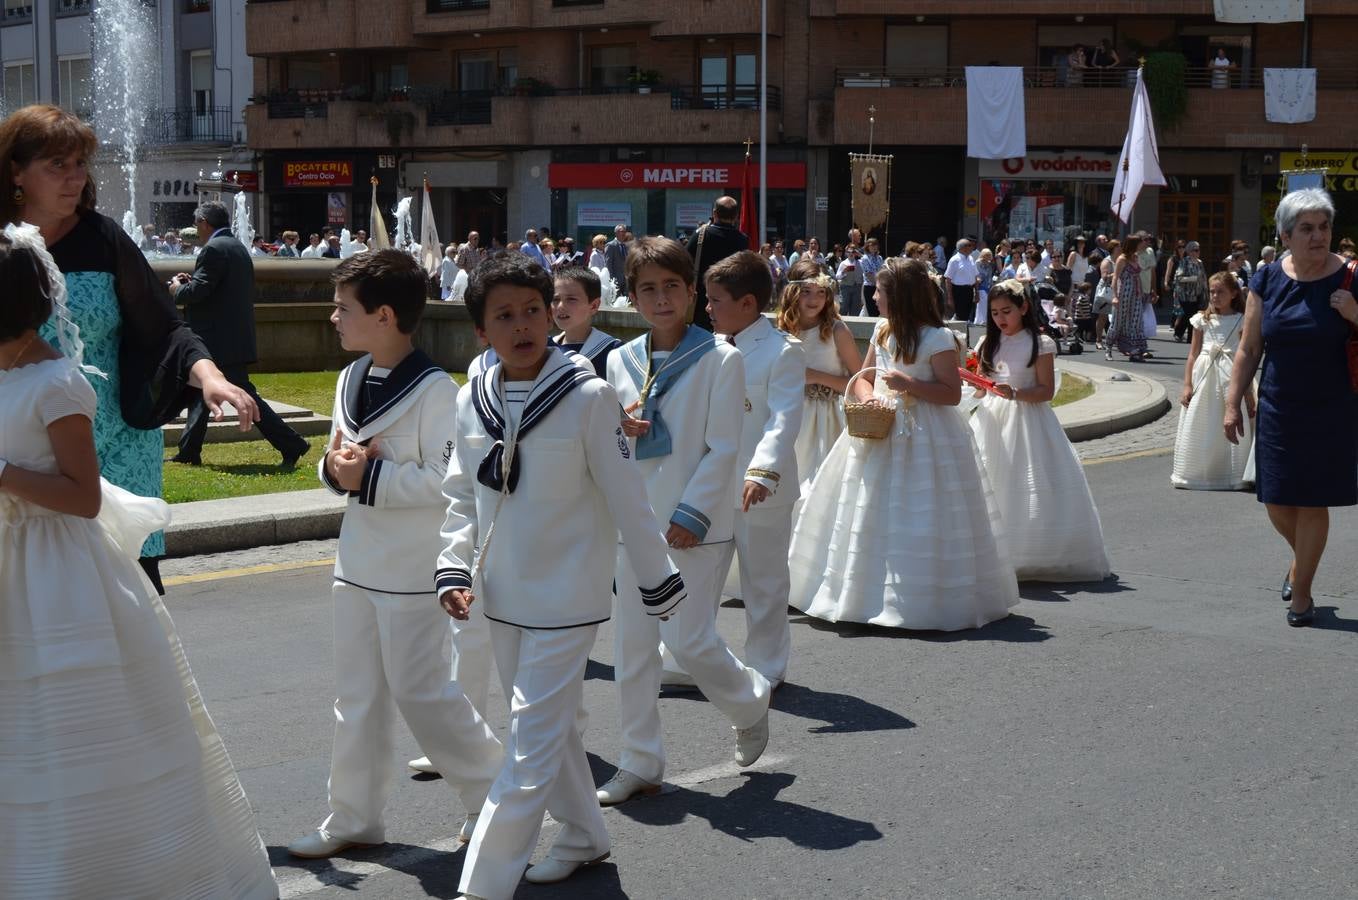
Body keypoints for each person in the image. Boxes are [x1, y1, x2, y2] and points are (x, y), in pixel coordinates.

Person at [0, 224, 277, 898]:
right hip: (9, 561)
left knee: (74, 732)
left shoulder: (55, 384)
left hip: (54, 568)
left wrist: (5, 474)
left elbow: (83, 496)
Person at [435, 255, 682, 899]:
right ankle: (584, 834)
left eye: (533, 311)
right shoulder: (471, 399)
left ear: (553, 315)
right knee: (550, 731)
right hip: (502, 594)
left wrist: (659, 581)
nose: (522, 326)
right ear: (480, 333)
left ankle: (482, 885)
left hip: (569, 595)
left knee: (526, 741)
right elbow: (462, 495)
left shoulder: (588, 396)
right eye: (504, 316)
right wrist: (453, 568)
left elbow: (629, 497)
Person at [288, 250, 504, 859]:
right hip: (356, 563)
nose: (333, 317)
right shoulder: (350, 377)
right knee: (355, 698)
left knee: (422, 692)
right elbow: (338, 456)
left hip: (413, 567)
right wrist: (336, 471)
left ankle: (493, 794)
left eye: (343, 308)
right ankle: (353, 815)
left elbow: (448, 480)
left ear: (384, 316)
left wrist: (369, 480)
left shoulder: (440, 392)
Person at [1, 105, 257, 594]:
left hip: (114, 447)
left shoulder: (104, 239)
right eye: (57, 165)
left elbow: (165, 327)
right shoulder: (4, 247)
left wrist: (209, 376)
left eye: (80, 164)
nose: (74, 178)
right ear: (17, 170)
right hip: (28, 446)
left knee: (129, 598)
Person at [598, 236, 772, 806]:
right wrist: (618, 428)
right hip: (635, 522)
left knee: (690, 642)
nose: (661, 298)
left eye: (672, 286)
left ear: (694, 293)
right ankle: (639, 760)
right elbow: (606, 439)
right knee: (633, 648)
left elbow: (726, 447)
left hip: (693, 524)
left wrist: (692, 514)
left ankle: (750, 700)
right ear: (631, 297)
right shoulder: (619, 361)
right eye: (647, 288)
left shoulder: (722, 358)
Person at [787, 257, 1020, 630]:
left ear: (898, 295)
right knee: (866, 508)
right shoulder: (882, 330)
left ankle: (914, 596)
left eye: (879, 291)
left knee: (916, 509)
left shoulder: (938, 338)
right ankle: (862, 592)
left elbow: (950, 393)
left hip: (925, 432)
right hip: (878, 428)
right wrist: (869, 398)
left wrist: (908, 385)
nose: (874, 296)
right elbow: (863, 377)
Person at [1225, 188, 1358, 626]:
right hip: (1279, 405)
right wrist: (1232, 402)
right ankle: (1300, 561)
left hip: (1334, 406)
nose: (1318, 236)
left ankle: (1302, 595)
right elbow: (1248, 346)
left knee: (1313, 501)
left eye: (1324, 227)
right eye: (1307, 229)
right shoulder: (1266, 279)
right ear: (1285, 235)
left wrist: (1356, 314)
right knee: (1278, 500)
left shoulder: (1352, 279)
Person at [700, 250, 804, 690]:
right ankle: (693, 657)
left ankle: (767, 666)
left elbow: (783, 419)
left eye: (716, 299)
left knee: (763, 581)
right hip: (710, 483)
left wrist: (762, 472)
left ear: (747, 304)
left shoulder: (782, 351)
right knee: (699, 577)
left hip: (760, 488)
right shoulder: (710, 348)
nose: (707, 308)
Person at [968, 280, 1111, 581]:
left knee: (1026, 480)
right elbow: (983, 388)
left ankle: (1030, 553)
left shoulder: (1040, 343)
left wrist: (1015, 394)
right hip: (992, 418)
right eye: (994, 313)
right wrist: (978, 384)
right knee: (990, 479)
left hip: (1028, 417)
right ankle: (991, 551)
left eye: (1006, 311)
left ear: (1023, 308)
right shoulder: (987, 343)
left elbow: (1045, 391)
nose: (1000, 319)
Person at [169, 202, 310, 467]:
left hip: (217, 340)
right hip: (229, 337)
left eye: (197, 224)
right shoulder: (235, 246)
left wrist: (178, 288)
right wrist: (193, 283)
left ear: (204, 222)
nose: (196, 230)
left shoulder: (213, 249)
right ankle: (189, 451)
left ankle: (292, 444)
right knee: (199, 390)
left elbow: (198, 293)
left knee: (243, 396)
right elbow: (215, 289)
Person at [777, 258, 861, 494]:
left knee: (817, 488)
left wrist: (815, 376)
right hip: (791, 416)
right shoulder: (781, 331)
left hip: (827, 420)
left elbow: (861, 381)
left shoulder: (836, 330)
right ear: (793, 293)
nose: (814, 300)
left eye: (821, 292)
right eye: (806, 292)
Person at [1173, 271, 1253, 491]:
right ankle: (1198, 471)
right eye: (1212, 292)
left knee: (1229, 419)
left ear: (1234, 293)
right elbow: (1193, 354)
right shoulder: (1203, 319)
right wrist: (1187, 384)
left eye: (1221, 292)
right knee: (1204, 421)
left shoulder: (1241, 320)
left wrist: (1247, 392)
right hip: (1205, 376)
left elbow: (1245, 355)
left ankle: (1232, 472)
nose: (1215, 296)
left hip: (1231, 376)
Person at [686, 195, 750, 331]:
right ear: (736, 216)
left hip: (701, 308)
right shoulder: (743, 240)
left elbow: (683, 263)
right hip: (731, 305)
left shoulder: (700, 236)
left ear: (714, 213)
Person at [551, 266, 621, 378]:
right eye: (555, 299)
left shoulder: (614, 352)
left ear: (594, 306)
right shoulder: (547, 349)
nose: (560, 306)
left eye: (571, 299)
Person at [1106, 234, 1147, 361]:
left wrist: (1142, 291)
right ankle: (1108, 349)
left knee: (1135, 321)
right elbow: (1115, 278)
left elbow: (1137, 276)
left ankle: (1133, 349)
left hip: (1135, 294)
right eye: (1140, 243)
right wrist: (1115, 296)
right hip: (1124, 293)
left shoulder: (1135, 257)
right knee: (1118, 321)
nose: (1142, 245)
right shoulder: (1122, 259)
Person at [1170, 240, 1207, 342]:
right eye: (1195, 250)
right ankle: (1178, 333)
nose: (1197, 252)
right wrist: (1193, 279)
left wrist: (1205, 290)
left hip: (1198, 294)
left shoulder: (1200, 263)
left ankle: (1191, 338)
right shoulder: (1184, 262)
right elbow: (1179, 278)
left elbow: (1203, 277)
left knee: (1195, 315)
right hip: (1186, 294)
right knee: (1187, 315)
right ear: (1190, 251)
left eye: (1198, 250)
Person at [944, 237, 980, 322]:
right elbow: (948, 279)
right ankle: (958, 332)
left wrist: (977, 292)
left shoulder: (971, 258)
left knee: (967, 315)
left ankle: (963, 333)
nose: (972, 247)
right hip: (959, 291)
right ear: (964, 248)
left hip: (969, 290)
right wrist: (950, 297)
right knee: (960, 316)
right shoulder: (954, 260)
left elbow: (975, 276)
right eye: (970, 245)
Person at [834, 242, 865, 315]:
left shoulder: (860, 262)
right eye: (849, 252)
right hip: (846, 287)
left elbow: (866, 260)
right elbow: (837, 276)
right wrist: (844, 272)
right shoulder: (843, 263)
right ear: (846, 253)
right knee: (844, 307)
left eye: (853, 252)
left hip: (857, 287)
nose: (851, 254)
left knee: (855, 308)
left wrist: (860, 254)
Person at [860, 236, 884, 316]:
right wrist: (878, 284)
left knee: (879, 311)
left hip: (879, 287)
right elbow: (868, 274)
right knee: (872, 312)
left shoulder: (879, 258)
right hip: (870, 287)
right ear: (867, 247)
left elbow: (882, 271)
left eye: (875, 245)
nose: (874, 247)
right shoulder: (865, 258)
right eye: (871, 245)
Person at [604, 223, 628, 294]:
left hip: (625, 278)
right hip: (615, 278)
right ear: (616, 233)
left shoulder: (625, 246)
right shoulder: (611, 245)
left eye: (625, 232)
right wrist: (611, 279)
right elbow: (608, 263)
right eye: (622, 231)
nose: (624, 234)